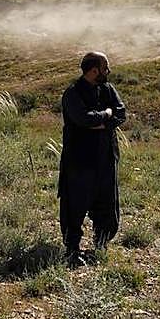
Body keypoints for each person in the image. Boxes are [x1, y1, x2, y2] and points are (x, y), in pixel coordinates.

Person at [59, 51, 127, 266]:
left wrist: (101, 122)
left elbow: (121, 113)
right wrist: (106, 115)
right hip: (79, 159)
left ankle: (101, 243)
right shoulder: (73, 93)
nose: (109, 71)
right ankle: (72, 249)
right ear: (94, 70)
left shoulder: (108, 89)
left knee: (107, 202)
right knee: (75, 204)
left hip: (106, 157)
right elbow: (84, 119)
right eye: (105, 68)